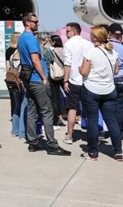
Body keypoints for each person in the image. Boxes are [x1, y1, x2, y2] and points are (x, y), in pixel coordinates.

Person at [18, 13, 70, 156]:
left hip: (29, 80)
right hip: (37, 79)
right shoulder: (31, 39)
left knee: (32, 110)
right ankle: (52, 145)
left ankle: (33, 142)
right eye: (35, 22)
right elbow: (35, 60)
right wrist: (44, 77)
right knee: (47, 112)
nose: (37, 24)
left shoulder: (21, 38)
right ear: (28, 23)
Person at [79, 26, 122, 161]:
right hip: (109, 89)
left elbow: (84, 72)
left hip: (92, 89)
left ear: (94, 37)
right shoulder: (113, 53)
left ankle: (93, 152)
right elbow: (116, 71)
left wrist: (80, 67)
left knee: (92, 121)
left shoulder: (90, 53)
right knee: (112, 120)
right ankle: (118, 151)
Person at [62, 22, 93, 145]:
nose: (66, 33)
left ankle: (69, 135)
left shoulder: (68, 44)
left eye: (67, 31)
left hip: (74, 80)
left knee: (72, 108)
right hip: (87, 80)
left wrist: (65, 80)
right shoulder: (89, 44)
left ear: (74, 32)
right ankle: (92, 135)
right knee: (90, 109)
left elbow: (67, 64)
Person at [6, 32, 27, 139]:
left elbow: (8, 69)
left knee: (17, 106)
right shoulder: (24, 56)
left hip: (14, 83)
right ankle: (22, 132)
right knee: (24, 107)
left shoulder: (12, 55)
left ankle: (15, 130)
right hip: (23, 83)